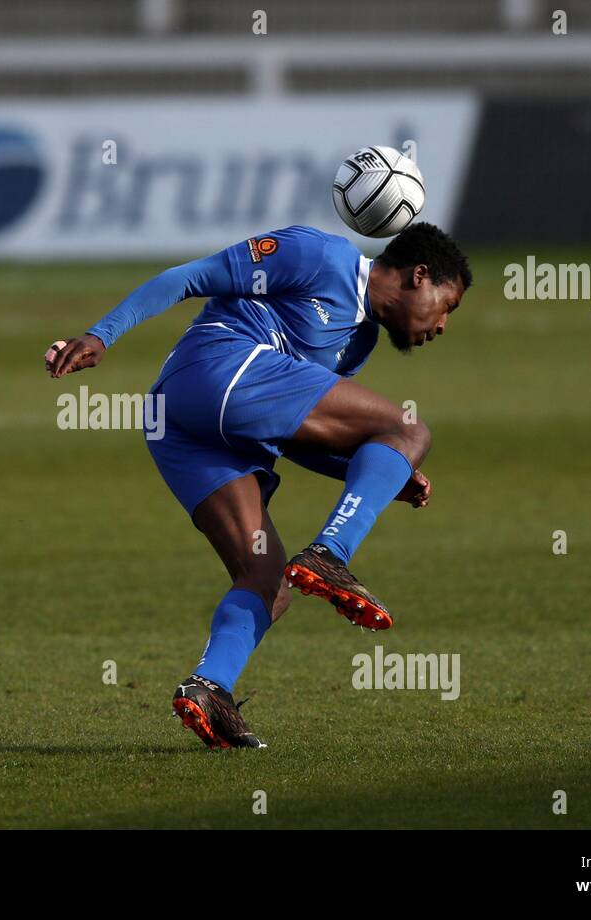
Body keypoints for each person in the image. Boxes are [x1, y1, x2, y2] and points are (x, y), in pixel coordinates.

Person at [46, 222, 472, 749]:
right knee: (410, 428)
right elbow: (189, 277)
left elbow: (290, 434)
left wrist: (377, 472)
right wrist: (101, 333)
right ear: (419, 276)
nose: (444, 324)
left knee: (266, 580)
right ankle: (330, 553)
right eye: (447, 303)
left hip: (184, 428)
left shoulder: (356, 343)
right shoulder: (322, 255)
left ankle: (209, 688)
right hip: (214, 371)